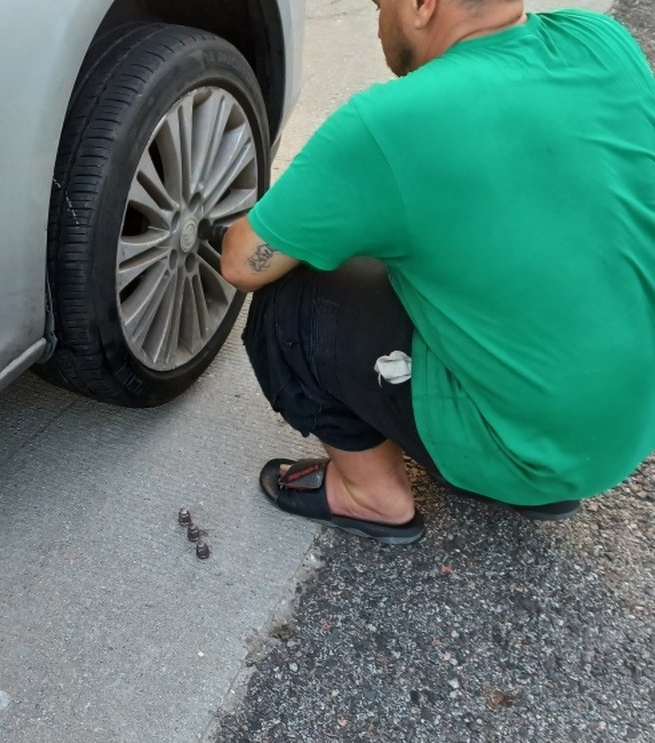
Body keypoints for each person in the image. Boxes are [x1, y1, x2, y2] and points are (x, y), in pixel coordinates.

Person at [220, 0, 655, 545]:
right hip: (628, 432)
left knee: (289, 303)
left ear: (423, 5)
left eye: (379, 4)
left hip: (528, 450)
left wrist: (287, 228)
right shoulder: (600, 43)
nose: (376, 20)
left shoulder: (388, 122)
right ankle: (541, 467)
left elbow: (243, 262)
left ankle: (372, 496)